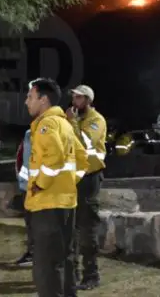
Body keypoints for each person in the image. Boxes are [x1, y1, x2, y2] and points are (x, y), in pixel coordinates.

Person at [24, 78, 89, 297]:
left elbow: (55, 158)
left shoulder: (47, 124)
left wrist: (40, 185)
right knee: (65, 260)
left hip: (47, 204)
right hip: (66, 203)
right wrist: (68, 182)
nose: (26, 101)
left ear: (43, 100)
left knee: (47, 267)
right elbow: (82, 159)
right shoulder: (65, 124)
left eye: (30, 97)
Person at [67, 84, 108, 290]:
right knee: (70, 229)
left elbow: (84, 143)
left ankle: (91, 275)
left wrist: (72, 123)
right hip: (71, 178)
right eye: (74, 97)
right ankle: (71, 274)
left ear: (88, 100)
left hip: (89, 178)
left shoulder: (96, 120)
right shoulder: (72, 119)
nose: (75, 101)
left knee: (87, 228)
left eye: (79, 97)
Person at [12, 129, 33, 266]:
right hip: (28, 187)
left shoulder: (49, 131)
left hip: (40, 188)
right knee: (30, 223)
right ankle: (32, 253)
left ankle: (38, 254)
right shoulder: (29, 133)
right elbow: (20, 156)